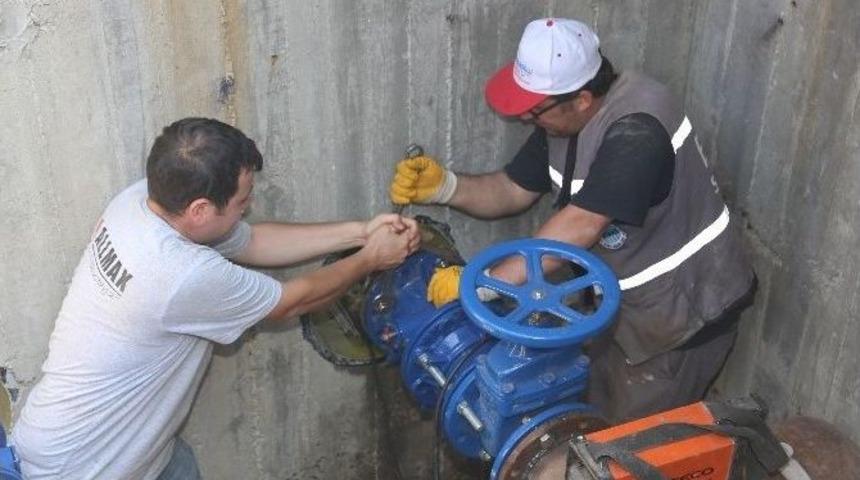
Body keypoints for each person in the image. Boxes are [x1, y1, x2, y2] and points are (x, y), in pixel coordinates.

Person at [388, 18, 755, 423]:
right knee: (590, 419)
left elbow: (581, 224)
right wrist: (446, 187)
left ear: (581, 98)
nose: (527, 118)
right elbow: (511, 190)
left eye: (534, 110)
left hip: (680, 318)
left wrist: (481, 285)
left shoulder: (638, 128)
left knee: (629, 445)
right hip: (619, 308)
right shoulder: (564, 117)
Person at [12, 118, 420, 479]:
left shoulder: (141, 200)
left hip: (135, 449)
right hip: (85, 466)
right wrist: (371, 258)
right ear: (201, 209)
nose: (248, 209)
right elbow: (289, 302)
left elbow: (253, 241)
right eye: (243, 202)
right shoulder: (179, 272)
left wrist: (361, 231)